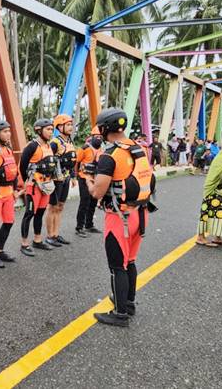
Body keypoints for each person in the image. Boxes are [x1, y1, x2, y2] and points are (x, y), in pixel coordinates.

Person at [86, 108, 155, 327]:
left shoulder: (110, 155)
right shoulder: (138, 148)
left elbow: (97, 192)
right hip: (141, 213)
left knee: (117, 266)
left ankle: (120, 313)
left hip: (119, 216)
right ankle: (129, 302)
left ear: (106, 128)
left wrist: (88, 178)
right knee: (130, 261)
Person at [0, 120, 24, 268]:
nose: (9, 134)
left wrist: (14, 189)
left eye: (9, 131)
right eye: (5, 131)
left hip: (8, 192)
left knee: (9, 222)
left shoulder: (8, 149)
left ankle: (0, 250)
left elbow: (13, 171)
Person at [19, 118, 60, 256]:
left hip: (46, 186)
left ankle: (37, 240)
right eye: (48, 129)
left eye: (51, 129)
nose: (51, 132)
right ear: (39, 130)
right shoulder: (32, 146)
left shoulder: (49, 146)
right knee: (29, 214)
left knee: (40, 213)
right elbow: (22, 166)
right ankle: (24, 243)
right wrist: (27, 182)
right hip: (34, 186)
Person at [46, 114, 76, 247]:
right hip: (56, 179)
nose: (71, 127)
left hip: (66, 178)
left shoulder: (70, 141)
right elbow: (48, 161)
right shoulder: (54, 143)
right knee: (52, 207)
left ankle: (56, 234)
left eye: (71, 124)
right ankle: (49, 235)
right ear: (60, 126)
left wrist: (73, 176)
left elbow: (72, 161)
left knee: (60, 206)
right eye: (68, 125)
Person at [75, 125, 104, 237]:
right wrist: (75, 176)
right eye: (96, 136)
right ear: (92, 136)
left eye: (100, 137)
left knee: (93, 201)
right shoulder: (85, 148)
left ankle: (89, 224)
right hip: (84, 178)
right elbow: (76, 162)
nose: (99, 138)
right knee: (84, 201)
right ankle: (79, 227)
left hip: (95, 178)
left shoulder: (101, 149)